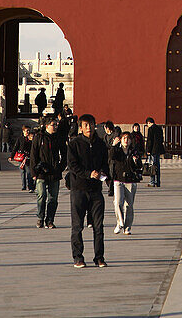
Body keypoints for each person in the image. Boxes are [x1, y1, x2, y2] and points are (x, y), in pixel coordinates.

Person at [67, 113, 110, 268]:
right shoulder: (74, 144)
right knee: (77, 226)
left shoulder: (100, 144)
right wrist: (88, 174)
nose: (89, 127)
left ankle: (99, 257)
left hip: (96, 190)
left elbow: (106, 164)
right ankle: (78, 257)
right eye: (85, 125)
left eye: (91, 124)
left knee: (99, 226)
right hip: (79, 189)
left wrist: (104, 175)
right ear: (80, 127)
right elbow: (72, 165)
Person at [30, 116, 66, 229]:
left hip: (54, 172)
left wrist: (61, 168)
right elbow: (33, 155)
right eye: (53, 125)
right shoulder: (39, 137)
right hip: (41, 172)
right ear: (46, 126)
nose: (55, 127)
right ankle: (40, 217)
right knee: (41, 195)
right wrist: (34, 172)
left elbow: (65, 154)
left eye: (56, 124)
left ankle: (50, 220)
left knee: (53, 198)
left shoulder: (59, 138)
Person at [110, 130, 142, 235]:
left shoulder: (134, 151)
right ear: (120, 140)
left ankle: (127, 227)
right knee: (118, 202)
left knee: (129, 205)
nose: (126, 140)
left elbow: (139, 166)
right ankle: (120, 223)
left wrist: (136, 161)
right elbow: (111, 156)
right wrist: (114, 145)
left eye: (128, 139)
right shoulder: (117, 150)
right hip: (118, 180)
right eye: (124, 138)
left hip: (130, 181)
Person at [11, 124, 33, 190]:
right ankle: (24, 186)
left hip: (28, 158)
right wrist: (12, 156)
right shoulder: (20, 139)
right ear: (23, 131)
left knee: (29, 172)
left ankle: (30, 186)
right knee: (22, 172)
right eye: (26, 131)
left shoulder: (32, 139)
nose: (28, 132)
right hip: (21, 158)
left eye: (29, 131)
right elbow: (15, 147)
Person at [144, 117, 165, 187]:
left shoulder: (151, 129)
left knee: (152, 166)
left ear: (149, 123)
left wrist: (148, 150)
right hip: (158, 150)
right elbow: (162, 139)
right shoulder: (159, 128)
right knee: (157, 166)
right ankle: (158, 182)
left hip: (152, 150)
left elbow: (150, 140)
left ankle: (152, 182)